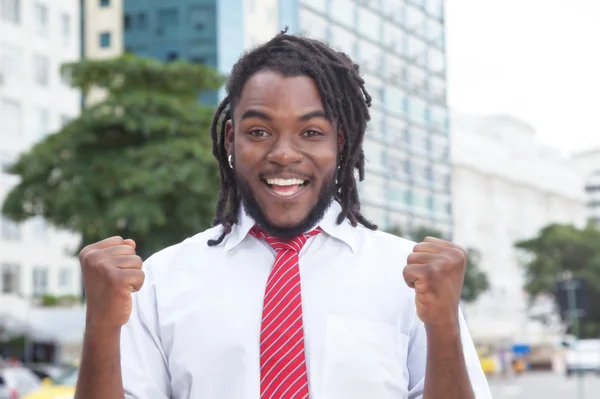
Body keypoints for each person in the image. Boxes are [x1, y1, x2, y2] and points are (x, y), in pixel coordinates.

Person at [74, 31, 492, 399]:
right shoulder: (161, 280)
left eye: (311, 133)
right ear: (231, 139)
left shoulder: (412, 280)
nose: (284, 154)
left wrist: (443, 327)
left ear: (340, 143)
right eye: (259, 132)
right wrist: (101, 326)